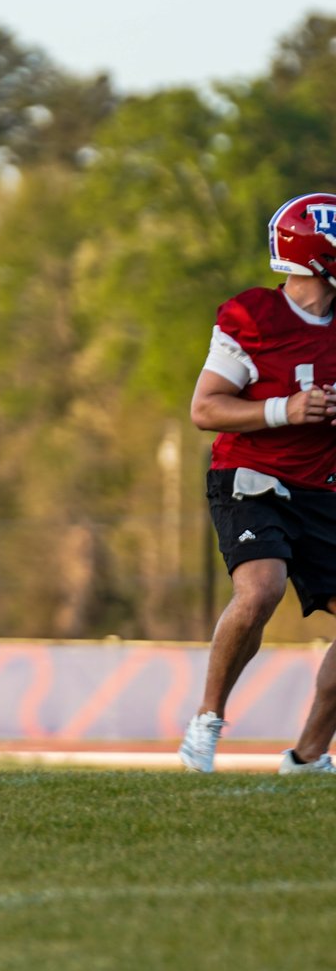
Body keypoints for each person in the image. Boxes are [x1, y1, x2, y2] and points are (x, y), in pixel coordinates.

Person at [179, 192, 336, 774]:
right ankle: (206, 720)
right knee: (262, 589)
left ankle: (309, 755)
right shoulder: (253, 316)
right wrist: (285, 411)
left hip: (321, 486)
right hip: (251, 477)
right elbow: (205, 408)